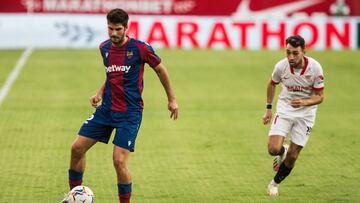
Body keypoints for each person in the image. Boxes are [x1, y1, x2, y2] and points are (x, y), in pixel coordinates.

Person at [60, 8, 178, 203]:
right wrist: (99, 93)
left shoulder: (140, 48)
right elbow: (112, 75)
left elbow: (160, 70)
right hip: (106, 110)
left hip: (129, 113)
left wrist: (171, 99)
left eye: (117, 29)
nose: (113, 33)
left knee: (119, 161)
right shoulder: (104, 48)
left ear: (126, 28)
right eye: (110, 29)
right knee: (77, 148)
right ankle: (74, 198)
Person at [262, 35, 324, 196]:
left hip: (306, 115)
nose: (291, 57)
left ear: (304, 51)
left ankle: (274, 184)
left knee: (293, 156)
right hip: (285, 109)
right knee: (273, 149)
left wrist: (305, 102)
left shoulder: (315, 68)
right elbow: (272, 83)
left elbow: (320, 97)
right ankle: (282, 150)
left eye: (295, 53)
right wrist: (268, 108)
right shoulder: (281, 67)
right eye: (288, 52)